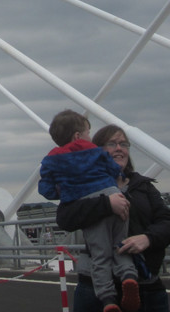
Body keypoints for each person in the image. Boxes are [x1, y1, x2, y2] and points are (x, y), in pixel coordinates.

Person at [57, 124, 170, 312]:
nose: (119, 148)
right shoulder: (84, 186)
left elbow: (166, 221)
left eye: (124, 144)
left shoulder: (143, 186)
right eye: (112, 143)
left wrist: (148, 238)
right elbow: (65, 218)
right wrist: (107, 204)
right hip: (94, 287)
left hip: (145, 285)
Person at [39, 110, 140, 312]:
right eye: (88, 132)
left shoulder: (52, 159)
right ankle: (129, 276)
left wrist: (60, 189)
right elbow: (112, 169)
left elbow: (46, 189)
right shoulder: (94, 150)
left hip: (89, 203)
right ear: (78, 135)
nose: (89, 137)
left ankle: (108, 300)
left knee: (100, 254)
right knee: (120, 244)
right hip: (115, 194)